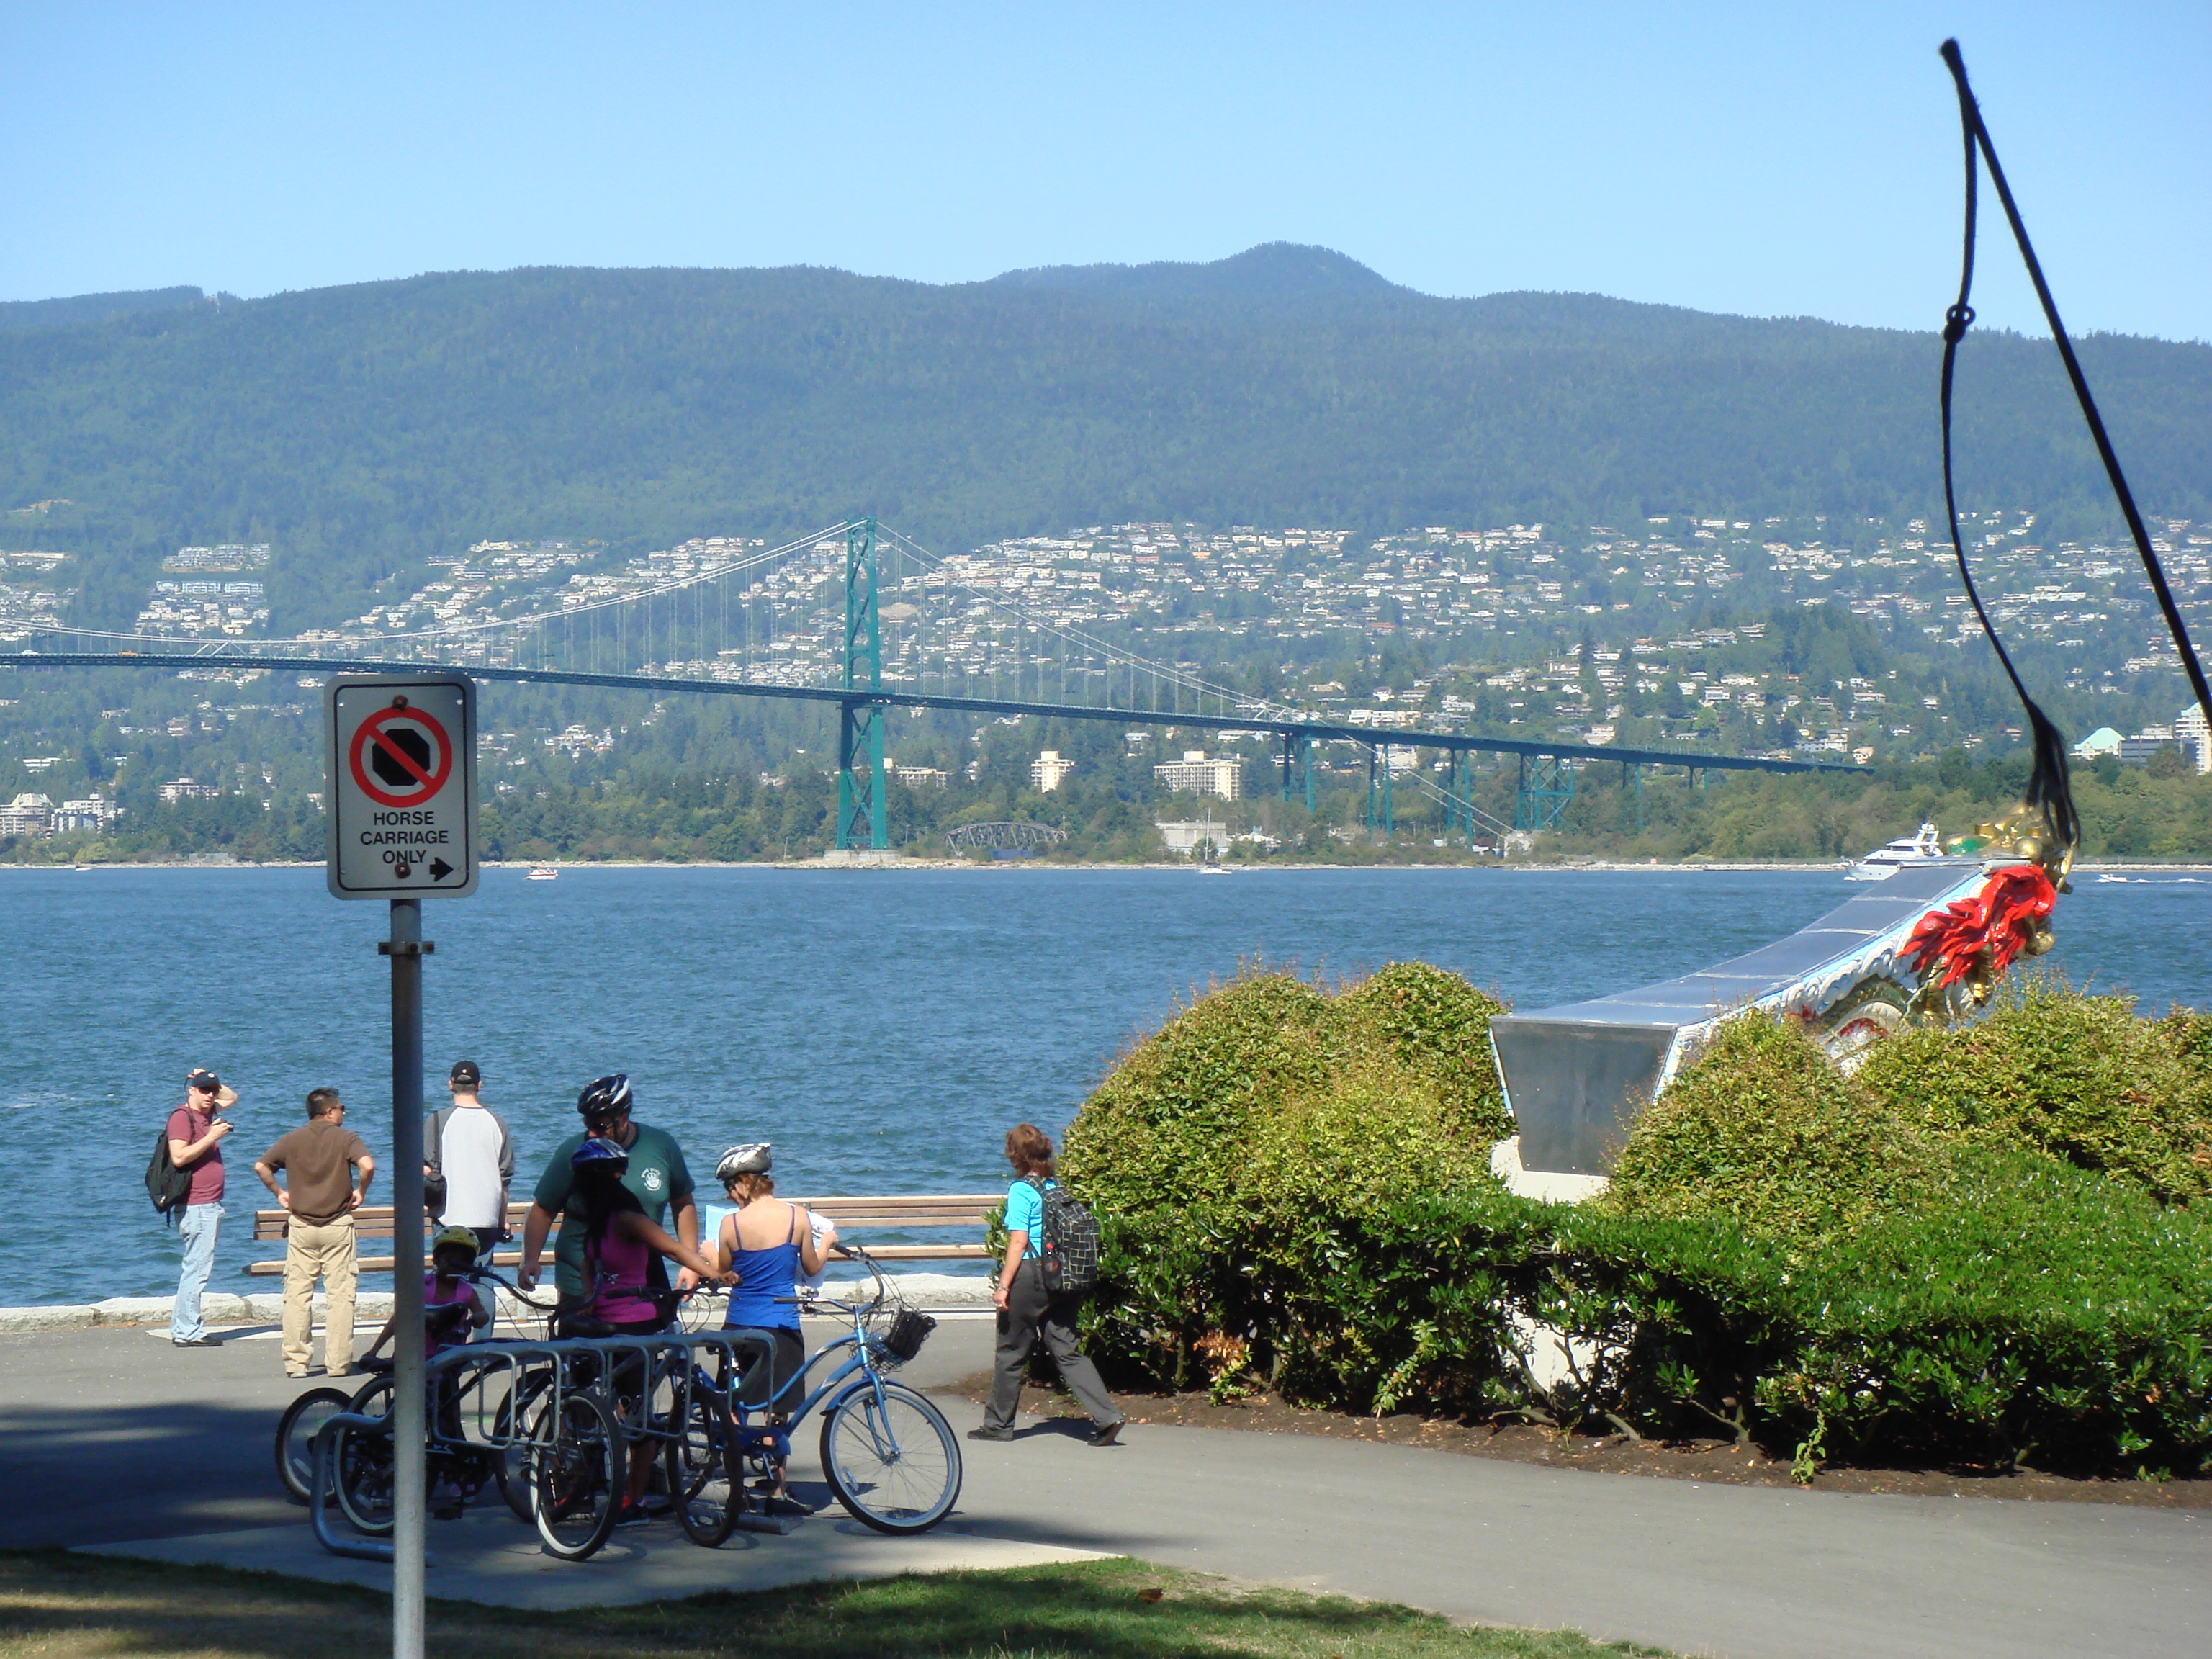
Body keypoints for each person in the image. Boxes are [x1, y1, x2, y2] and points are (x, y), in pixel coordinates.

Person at [567, 1137, 727, 1525]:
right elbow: (673, 1250)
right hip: (634, 1327)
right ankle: (632, 1502)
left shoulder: (599, 1226)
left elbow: (591, 1277)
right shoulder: (621, 1216)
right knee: (638, 1421)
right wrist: (715, 1275)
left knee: (615, 1411)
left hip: (605, 1328)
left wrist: (585, 1306)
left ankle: (603, 1488)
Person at [971, 1123, 1123, 1446]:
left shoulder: (1021, 1190)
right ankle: (1108, 1416)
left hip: (1033, 1275)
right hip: (1065, 1277)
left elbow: (1018, 1242)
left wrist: (1003, 1287)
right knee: (1067, 1350)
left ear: (1015, 1156)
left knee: (1011, 1351)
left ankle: (998, 1426)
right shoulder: (1054, 1186)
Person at [711, 1143, 834, 1509]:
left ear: (743, 1184)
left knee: (736, 1403)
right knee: (777, 1408)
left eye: (730, 1188)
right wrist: (826, 1240)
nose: (730, 1196)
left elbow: (723, 1273)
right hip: (781, 1324)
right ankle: (778, 1487)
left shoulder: (729, 1225)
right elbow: (812, 1268)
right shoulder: (798, 1218)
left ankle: (736, 1483)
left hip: (739, 1326)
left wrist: (706, 1257)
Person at [516, 1075, 700, 1309]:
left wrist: (691, 1262)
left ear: (623, 1119)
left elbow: (683, 1203)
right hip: (581, 1282)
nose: (592, 1133)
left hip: (644, 1278)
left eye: (600, 1126)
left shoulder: (661, 1146)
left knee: (649, 1343)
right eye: (588, 1126)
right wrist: (531, 1258)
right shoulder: (574, 1153)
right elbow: (543, 1210)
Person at [253, 1087, 375, 1378]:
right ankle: (338, 1363)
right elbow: (368, 1165)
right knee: (340, 1296)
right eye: (342, 1108)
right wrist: (361, 1190)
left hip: (302, 1226)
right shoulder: (347, 1139)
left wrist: (279, 1193)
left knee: (297, 1295)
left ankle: (296, 1363)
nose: (343, 1113)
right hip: (337, 1225)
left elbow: (261, 1166)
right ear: (331, 1111)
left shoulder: (292, 1139)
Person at [165, 1069, 236, 1349]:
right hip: (197, 1206)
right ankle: (187, 1331)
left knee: (197, 1267)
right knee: (196, 1270)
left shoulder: (208, 1112)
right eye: (203, 1089)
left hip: (210, 1205)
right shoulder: (182, 1118)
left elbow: (232, 1097)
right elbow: (179, 1157)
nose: (210, 1095)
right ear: (190, 1091)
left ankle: (183, 1326)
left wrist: (205, 1076)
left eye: (212, 1091)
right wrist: (212, 1137)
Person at [425, 1060, 513, 1265]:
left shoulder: (437, 1121)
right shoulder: (497, 1123)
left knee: (448, 1280)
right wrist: (503, 1221)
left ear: (451, 1084)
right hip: (487, 1219)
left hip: (449, 1218)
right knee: (481, 1279)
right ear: (479, 1085)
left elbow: (426, 1167)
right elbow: (504, 1180)